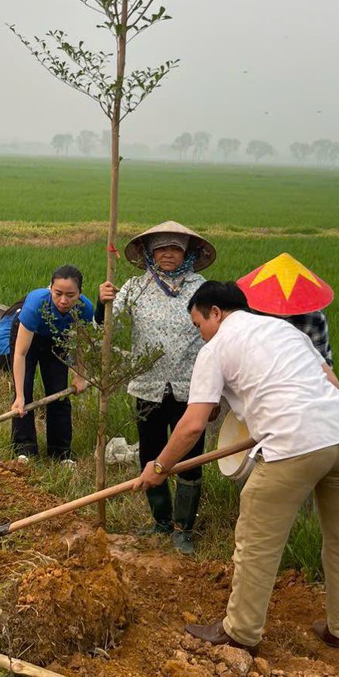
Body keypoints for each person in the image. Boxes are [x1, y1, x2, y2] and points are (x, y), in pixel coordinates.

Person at [136, 280, 339, 657]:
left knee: (256, 537)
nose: (201, 334)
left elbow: (193, 425)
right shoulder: (283, 329)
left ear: (216, 312)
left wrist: (160, 466)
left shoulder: (217, 348)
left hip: (295, 443)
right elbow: (332, 382)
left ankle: (240, 631)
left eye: (199, 325)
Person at [96, 221, 217, 554]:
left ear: (187, 254)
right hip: (147, 387)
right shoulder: (135, 287)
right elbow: (106, 323)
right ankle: (161, 521)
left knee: (190, 458)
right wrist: (101, 300)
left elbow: (220, 331)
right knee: (150, 455)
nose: (168, 255)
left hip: (190, 387)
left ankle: (184, 529)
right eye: (161, 248)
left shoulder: (201, 288)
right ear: (149, 253)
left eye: (175, 249)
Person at [0, 265, 93, 464]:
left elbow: (81, 346)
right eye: (58, 293)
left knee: (58, 392)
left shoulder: (85, 309)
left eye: (70, 295)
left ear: (80, 293)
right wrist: (19, 395)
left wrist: (80, 375)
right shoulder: (36, 304)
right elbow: (20, 353)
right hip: (27, 339)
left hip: (56, 340)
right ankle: (23, 449)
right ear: (50, 288)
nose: (63, 300)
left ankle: (60, 452)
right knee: (24, 392)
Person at [237, 251, 334, 367]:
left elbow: (324, 363)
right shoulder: (248, 313)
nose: (281, 306)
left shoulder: (314, 319)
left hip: (300, 373)